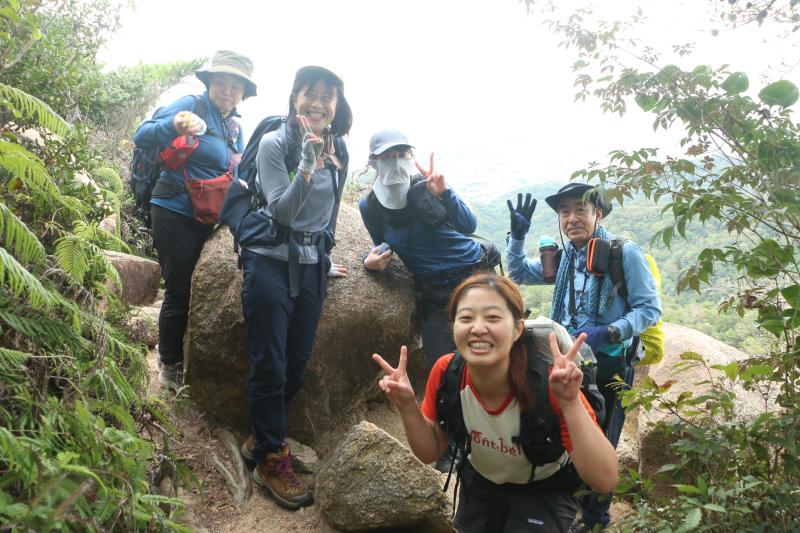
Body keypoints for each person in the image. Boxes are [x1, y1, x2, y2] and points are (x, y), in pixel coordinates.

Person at [372, 273, 618, 532]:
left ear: (518, 329)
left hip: (544, 488)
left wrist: (569, 402)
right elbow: (429, 452)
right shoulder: (448, 373)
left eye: (492, 317)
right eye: (466, 318)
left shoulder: (551, 385)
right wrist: (407, 406)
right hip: (481, 481)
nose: (478, 328)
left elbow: (605, 480)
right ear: (453, 327)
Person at [505, 182, 662, 531]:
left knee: (601, 440)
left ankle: (594, 519)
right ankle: (566, 506)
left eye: (580, 209)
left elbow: (650, 309)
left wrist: (611, 331)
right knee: (565, 432)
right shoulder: (564, 258)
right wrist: (517, 236)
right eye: (565, 211)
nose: (572, 218)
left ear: (598, 214)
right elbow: (518, 273)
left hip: (609, 366)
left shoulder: (623, 253)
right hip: (567, 364)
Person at [237, 66, 351, 509]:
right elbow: (282, 212)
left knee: (297, 363)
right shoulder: (275, 144)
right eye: (309, 93)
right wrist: (305, 165)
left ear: (337, 105)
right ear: (294, 97)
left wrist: (324, 254)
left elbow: (329, 210)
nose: (318, 103)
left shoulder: (339, 148)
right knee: (270, 363)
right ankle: (270, 458)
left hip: (310, 265)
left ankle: (263, 435)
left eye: (327, 96)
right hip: (268, 261)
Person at [133, 50, 256, 392]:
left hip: (207, 215)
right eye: (221, 82)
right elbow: (142, 134)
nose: (227, 90)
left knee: (194, 289)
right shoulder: (192, 105)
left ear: (244, 92)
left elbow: (239, 169)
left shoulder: (234, 126)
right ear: (209, 82)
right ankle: (169, 364)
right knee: (179, 289)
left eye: (235, 85)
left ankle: (183, 355)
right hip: (173, 209)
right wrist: (174, 125)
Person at [359, 129, 498, 369]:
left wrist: (444, 192)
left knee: (491, 359)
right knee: (443, 369)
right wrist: (368, 262)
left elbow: (468, 225)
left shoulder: (427, 185)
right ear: (374, 162)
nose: (395, 160)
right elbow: (381, 247)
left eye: (401, 154)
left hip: (474, 274)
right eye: (387, 156)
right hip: (434, 293)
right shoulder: (370, 207)